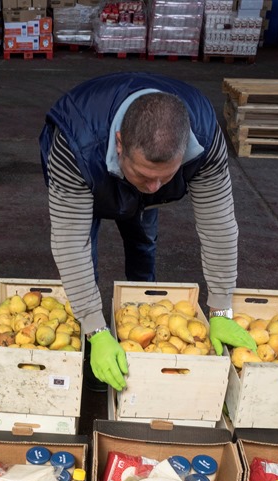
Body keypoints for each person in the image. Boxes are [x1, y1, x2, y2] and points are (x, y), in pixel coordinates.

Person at [39, 73, 256, 392]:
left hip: (126, 165)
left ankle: (140, 313)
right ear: (119, 143)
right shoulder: (74, 144)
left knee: (143, 241)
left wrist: (221, 306)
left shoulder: (205, 136)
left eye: (165, 176)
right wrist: (95, 327)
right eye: (144, 174)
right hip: (90, 176)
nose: (154, 186)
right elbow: (71, 243)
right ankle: (95, 344)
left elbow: (218, 223)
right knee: (87, 253)